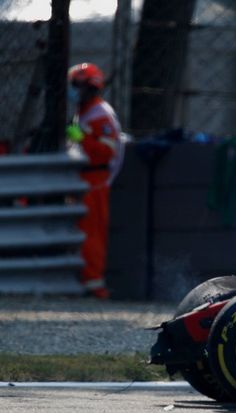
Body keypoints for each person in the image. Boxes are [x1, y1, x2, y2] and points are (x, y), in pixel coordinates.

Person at [66, 62, 123, 298]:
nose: (73, 90)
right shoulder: (86, 109)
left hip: (95, 179)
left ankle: (94, 285)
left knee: (92, 233)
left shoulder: (100, 114)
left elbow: (106, 152)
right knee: (82, 232)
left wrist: (81, 138)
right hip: (84, 178)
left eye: (77, 85)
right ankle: (85, 280)